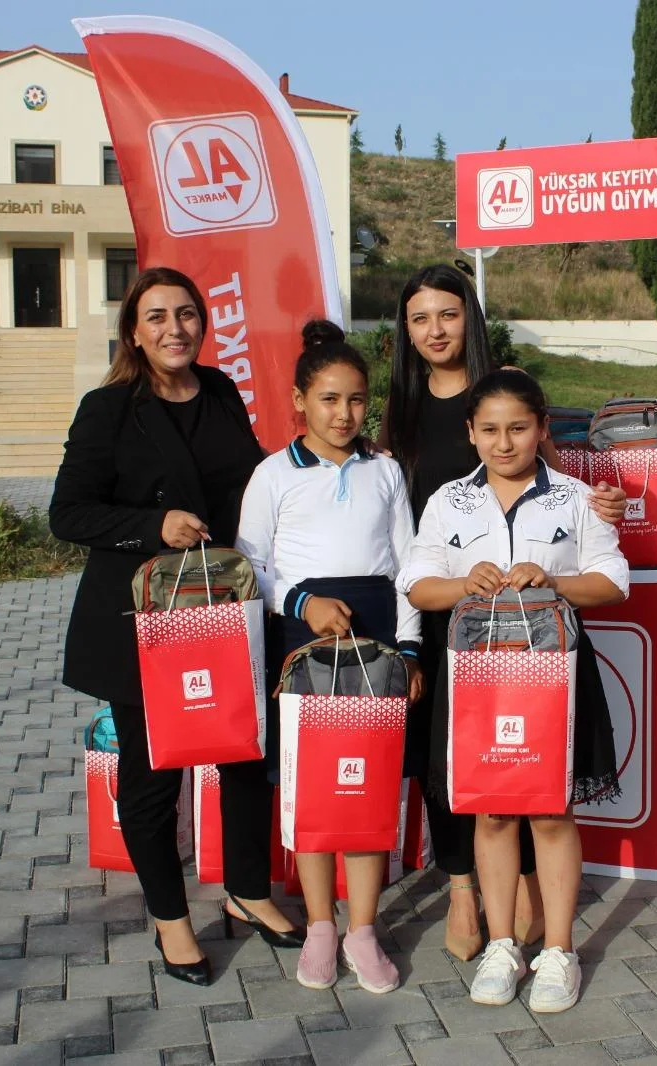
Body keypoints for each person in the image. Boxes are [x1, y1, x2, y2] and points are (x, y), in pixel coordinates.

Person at [50, 266, 305, 988]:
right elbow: (67, 514)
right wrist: (151, 525)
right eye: (158, 316)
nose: (175, 328)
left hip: (222, 610)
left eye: (187, 314)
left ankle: (248, 890)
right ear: (135, 329)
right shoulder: (108, 408)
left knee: (244, 756)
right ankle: (170, 918)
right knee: (154, 774)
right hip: (141, 621)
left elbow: (255, 483)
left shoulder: (221, 392)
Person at [383, 263, 626, 960]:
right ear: (471, 432)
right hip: (458, 632)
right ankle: (471, 903)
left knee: (539, 787)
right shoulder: (403, 410)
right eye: (420, 317)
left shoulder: (513, 400)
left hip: (540, 650)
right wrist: (444, 598)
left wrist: (592, 508)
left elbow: (582, 525)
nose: (435, 329)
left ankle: (540, 922)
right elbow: (415, 560)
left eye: (448, 314)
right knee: (466, 776)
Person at [237, 320, 422, 993]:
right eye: (329, 399)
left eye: (356, 400)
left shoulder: (385, 471)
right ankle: (320, 924)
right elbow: (250, 565)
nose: (344, 414)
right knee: (313, 786)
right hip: (304, 641)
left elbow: (408, 563)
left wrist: (408, 647)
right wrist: (303, 601)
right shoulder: (272, 475)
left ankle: (364, 928)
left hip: (376, 639)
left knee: (369, 784)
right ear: (299, 401)